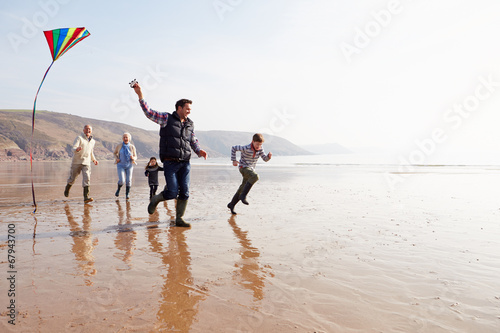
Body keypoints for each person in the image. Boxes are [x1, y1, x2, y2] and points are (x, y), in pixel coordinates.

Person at [132, 82, 207, 227]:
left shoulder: (190, 124)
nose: (189, 111)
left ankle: (179, 219)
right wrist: (140, 95)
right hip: (170, 162)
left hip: (185, 162)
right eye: (187, 108)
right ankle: (155, 200)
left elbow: (193, 140)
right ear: (179, 108)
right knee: (172, 192)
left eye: (190, 109)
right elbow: (149, 112)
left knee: (185, 192)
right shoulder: (166, 118)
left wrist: (199, 150)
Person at [227, 133, 272, 214]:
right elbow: (234, 148)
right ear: (253, 141)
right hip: (243, 167)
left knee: (242, 187)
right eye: (257, 144)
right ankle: (243, 196)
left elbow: (265, 159)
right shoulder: (246, 148)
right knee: (255, 176)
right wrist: (234, 160)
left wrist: (268, 157)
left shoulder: (260, 149)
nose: (258, 146)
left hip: (250, 169)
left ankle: (232, 204)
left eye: (260, 144)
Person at [63, 124, 99, 204]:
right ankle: (68, 187)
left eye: (89, 129)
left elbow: (91, 152)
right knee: (73, 178)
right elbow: (73, 148)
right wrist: (77, 149)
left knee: (87, 178)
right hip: (77, 162)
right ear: (83, 130)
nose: (88, 130)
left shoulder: (93, 141)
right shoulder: (79, 138)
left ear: (91, 131)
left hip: (86, 162)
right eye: (86, 129)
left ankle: (86, 197)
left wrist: (94, 160)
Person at [114, 132, 137, 199]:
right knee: (122, 180)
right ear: (122, 138)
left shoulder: (132, 147)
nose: (125, 138)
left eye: (127, 137)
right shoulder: (119, 146)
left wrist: (133, 158)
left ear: (129, 138)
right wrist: (117, 158)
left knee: (128, 180)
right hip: (120, 165)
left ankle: (127, 194)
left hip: (129, 165)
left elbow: (135, 156)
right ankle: (118, 189)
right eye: (124, 137)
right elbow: (115, 153)